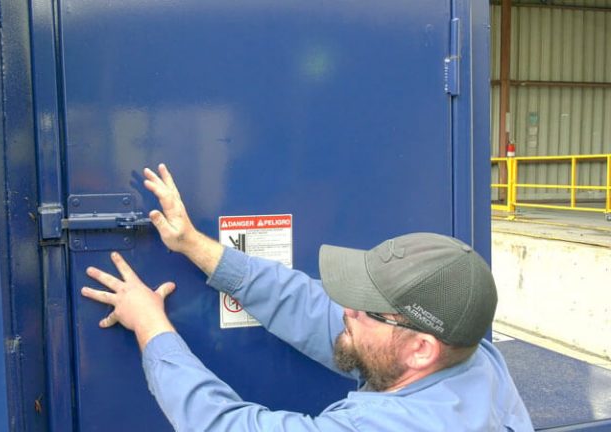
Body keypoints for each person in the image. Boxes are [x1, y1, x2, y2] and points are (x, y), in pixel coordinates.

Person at [81, 163, 534, 431]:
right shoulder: (472, 357)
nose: (346, 308)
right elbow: (309, 308)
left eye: (365, 308)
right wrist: (195, 245)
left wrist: (150, 324)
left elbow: (221, 425)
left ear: (421, 348)